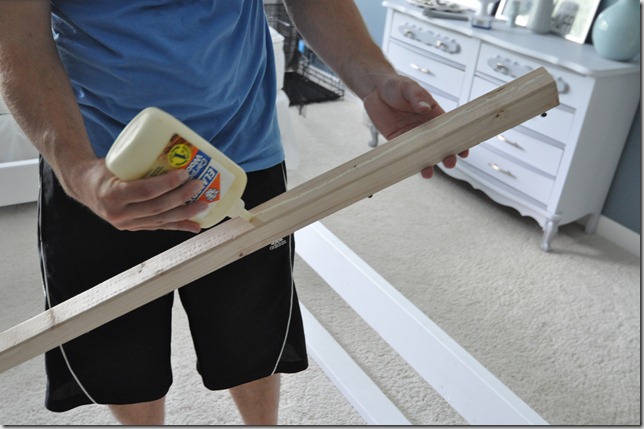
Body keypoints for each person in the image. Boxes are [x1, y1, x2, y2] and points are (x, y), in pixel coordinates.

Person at [0, 0, 466, 425]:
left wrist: (373, 79)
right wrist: (77, 171)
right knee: (118, 353)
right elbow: (17, 38)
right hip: (101, 162)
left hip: (238, 154)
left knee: (251, 337)